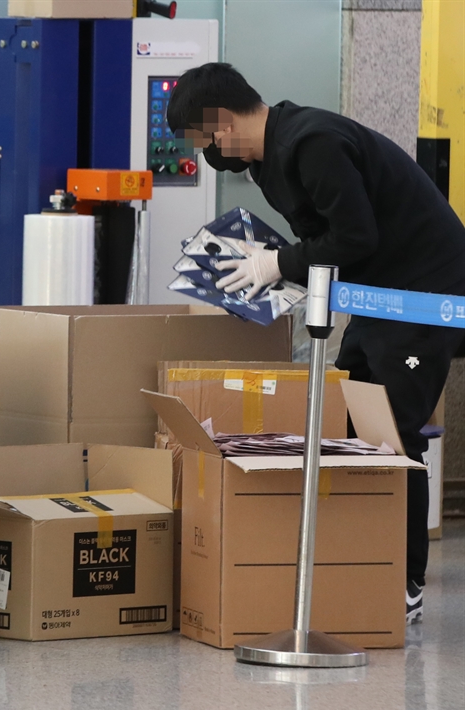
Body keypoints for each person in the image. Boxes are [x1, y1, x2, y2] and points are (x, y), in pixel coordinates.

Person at [166, 63, 465, 625]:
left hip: (425, 291)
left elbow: (356, 235)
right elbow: (329, 237)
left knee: (392, 432)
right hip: (381, 293)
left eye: (203, 140)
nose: (207, 154)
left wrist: (279, 261)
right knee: (350, 419)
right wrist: (281, 273)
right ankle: (361, 558)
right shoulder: (270, 160)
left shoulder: (312, 143)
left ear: (222, 122)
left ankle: (405, 581)